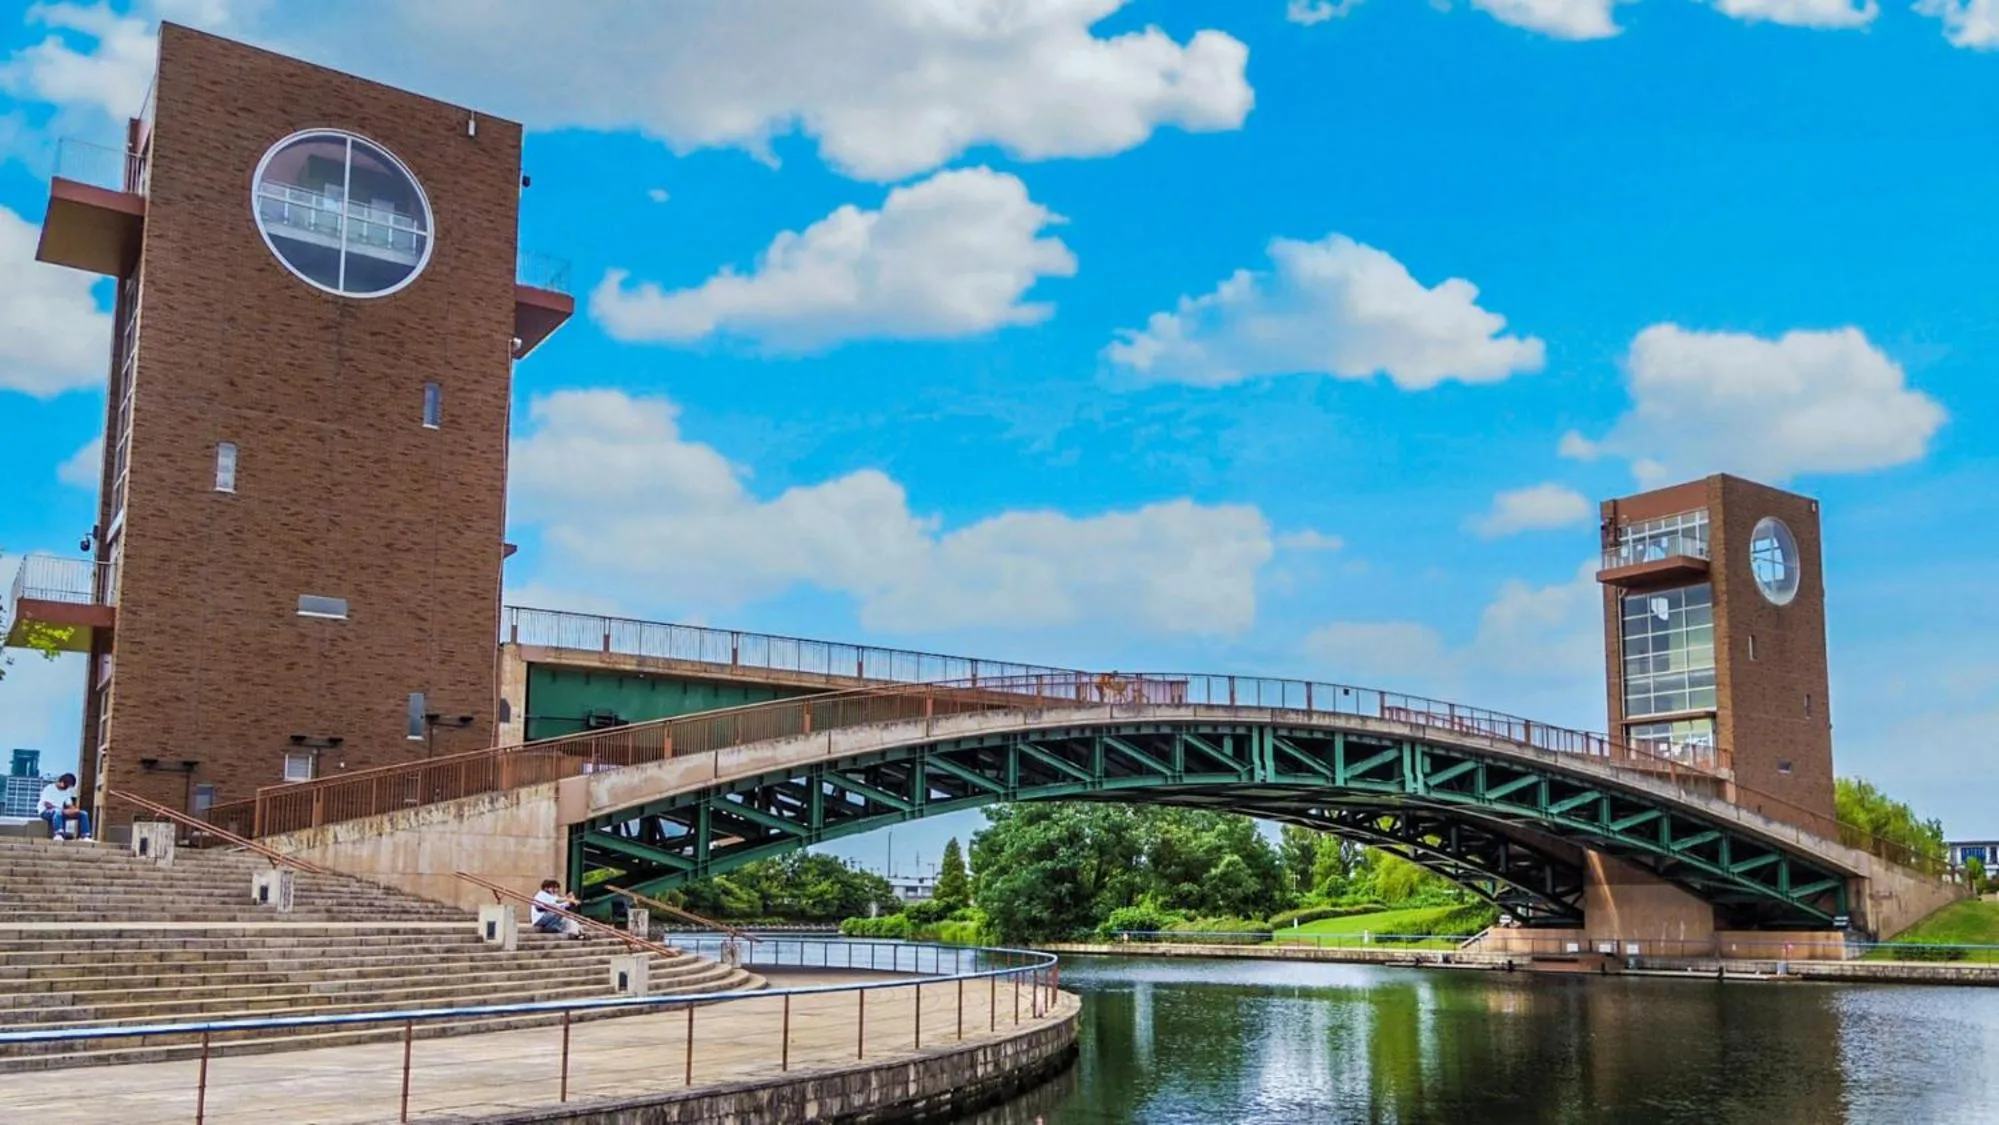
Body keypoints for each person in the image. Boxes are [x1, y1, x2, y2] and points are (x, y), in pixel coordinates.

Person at [38, 774, 90, 842]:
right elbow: (47, 804)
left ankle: (85, 836)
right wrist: (63, 810)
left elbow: (69, 804)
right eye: (66, 786)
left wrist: (75, 810)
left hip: (60, 812)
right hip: (46, 811)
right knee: (57, 812)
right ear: (62, 782)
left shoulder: (67, 791)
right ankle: (58, 834)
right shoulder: (49, 788)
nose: (67, 788)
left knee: (83, 814)